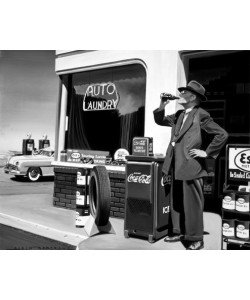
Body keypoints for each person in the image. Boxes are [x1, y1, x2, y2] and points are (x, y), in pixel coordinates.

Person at [153, 80, 228, 250]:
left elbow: (222, 134)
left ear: (192, 96)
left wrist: (207, 153)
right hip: (174, 164)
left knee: (193, 204)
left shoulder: (201, 114)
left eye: (184, 92)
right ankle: (179, 232)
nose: (180, 94)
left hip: (191, 166)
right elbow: (160, 120)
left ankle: (196, 238)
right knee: (177, 201)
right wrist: (162, 104)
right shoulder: (179, 114)